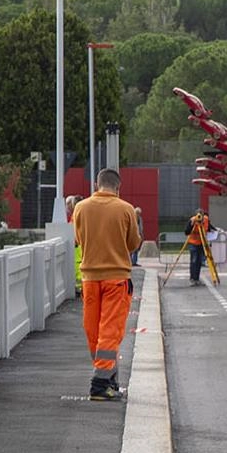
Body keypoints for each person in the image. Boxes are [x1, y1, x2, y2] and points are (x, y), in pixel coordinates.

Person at [72, 169, 141, 401]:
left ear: (96, 185)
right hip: (117, 278)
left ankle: (107, 377)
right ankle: (101, 383)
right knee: (110, 330)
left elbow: (80, 239)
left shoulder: (81, 208)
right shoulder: (126, 209)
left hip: (90, 279)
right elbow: (133, 243)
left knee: (93, 330)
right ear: (118, 187)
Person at [185, 208, 211, 286]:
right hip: (193, 243)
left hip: (201, 243)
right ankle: (192, 278)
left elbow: (209, 229)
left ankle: (197, 278)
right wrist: (192, 224)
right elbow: (186, 232)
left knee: (199, 262)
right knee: (194, 261)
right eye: (198, 215)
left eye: (201, 216)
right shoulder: (192, 220)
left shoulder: (206, 220)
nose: (200, 218)